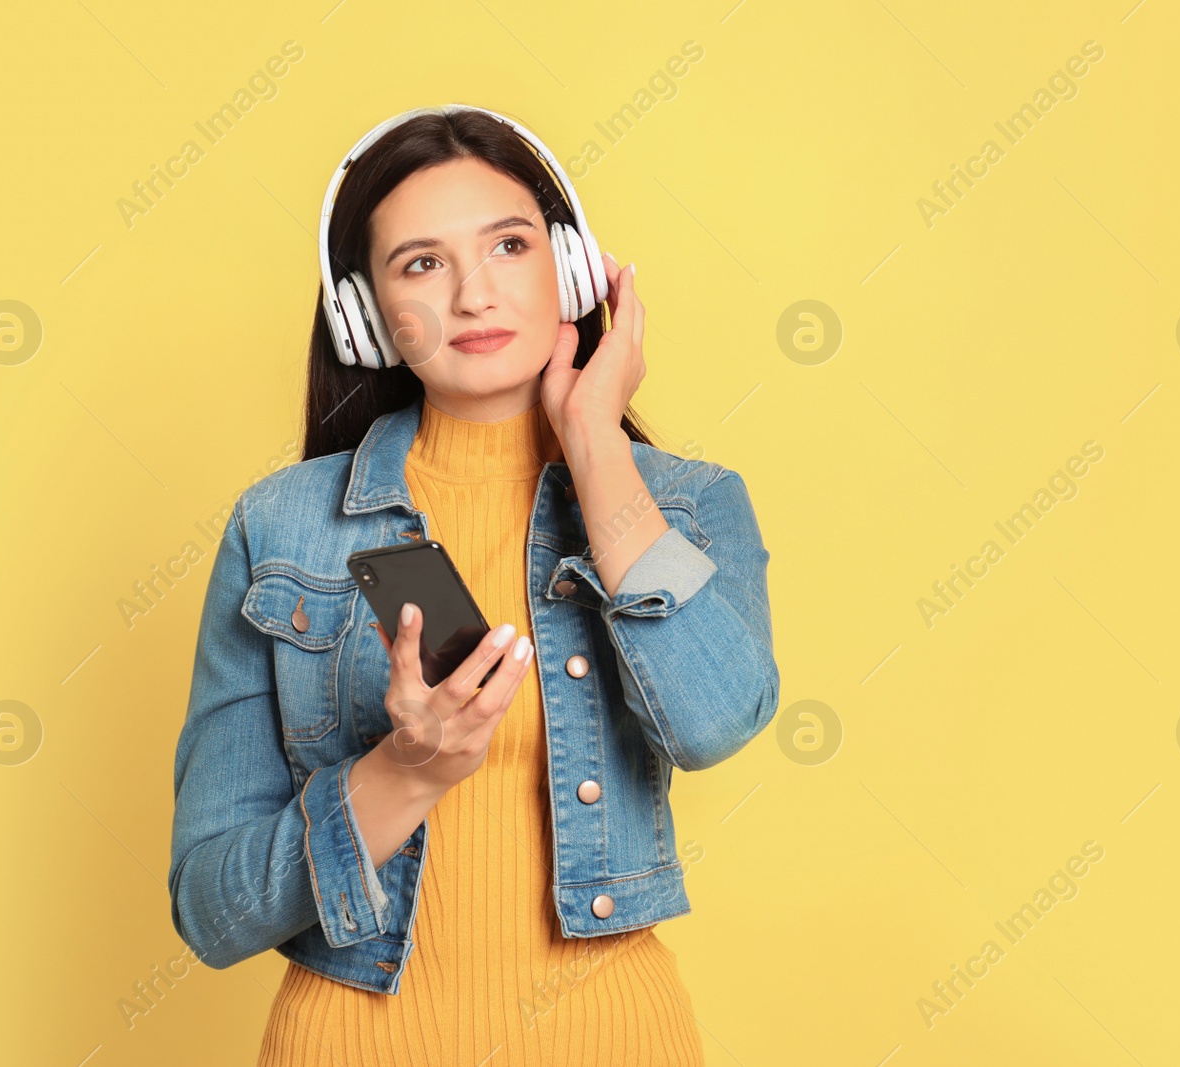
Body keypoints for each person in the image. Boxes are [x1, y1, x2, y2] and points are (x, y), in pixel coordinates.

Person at [168, 105, 780, 1065]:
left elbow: (715, 723)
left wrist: (596, 450)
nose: (472, 295)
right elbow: (213, 909)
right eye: (421, 264)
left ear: (571, 271)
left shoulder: (689, 505)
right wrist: (404, 771)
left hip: (612, 1041)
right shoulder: (279, 527)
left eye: (508, 244)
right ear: (368, 316)